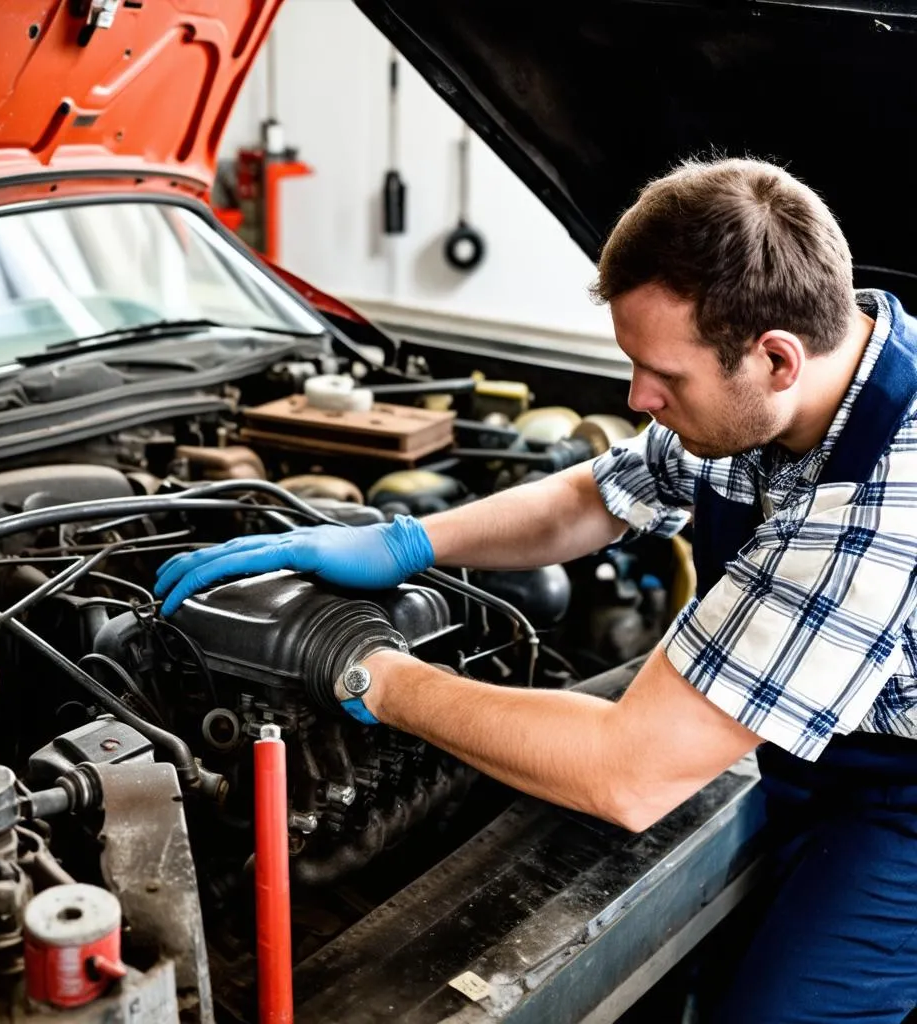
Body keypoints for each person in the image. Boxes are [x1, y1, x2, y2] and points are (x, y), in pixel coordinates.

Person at [156, 157, 917, 1023]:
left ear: (775, 358)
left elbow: (627, 775)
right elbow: (593, 495)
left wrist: (367, 672)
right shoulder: (794, 383)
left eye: (665, 377)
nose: (639, 397)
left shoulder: (876, 511)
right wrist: (405, 542)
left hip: (900, 796)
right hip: (805, 738)